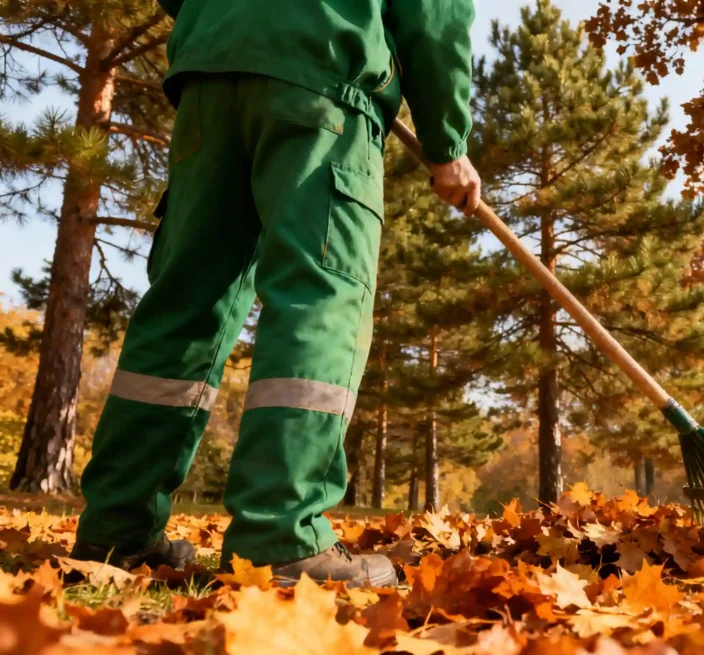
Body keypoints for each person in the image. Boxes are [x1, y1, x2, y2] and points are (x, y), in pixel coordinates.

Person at [70, 0, 480, 586]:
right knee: (319, 296)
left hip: (212, 71)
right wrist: (448, 140)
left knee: (186, 305)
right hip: (323, 76)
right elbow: (433, 10)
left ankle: (115, 532)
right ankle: (281, 536)